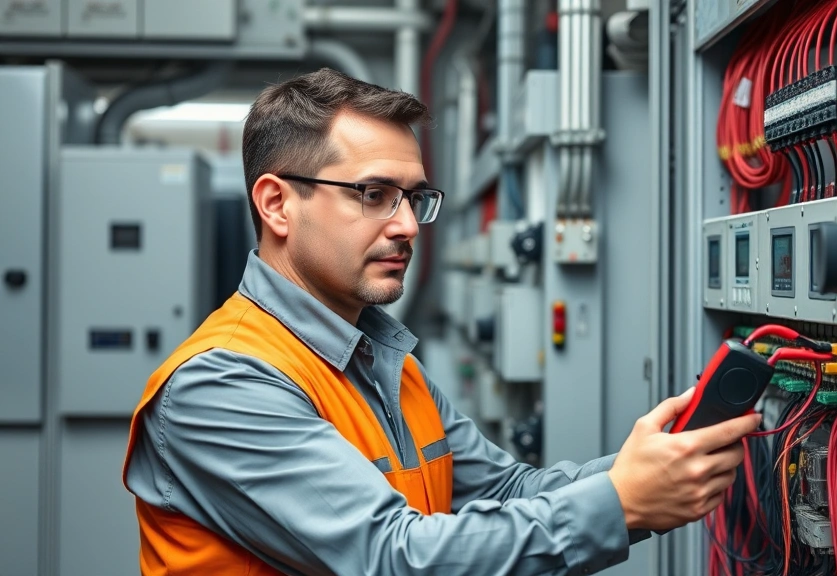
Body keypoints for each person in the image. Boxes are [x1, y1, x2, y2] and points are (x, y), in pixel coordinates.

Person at [122, 68, 761, 576]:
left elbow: (510, 489)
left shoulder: (381, 362)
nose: (405, 225)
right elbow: (392, 557)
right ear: (277, 203)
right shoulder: (220, 385)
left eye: (415, 198)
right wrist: (621, 503)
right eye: (373, 195)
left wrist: (653, 466)